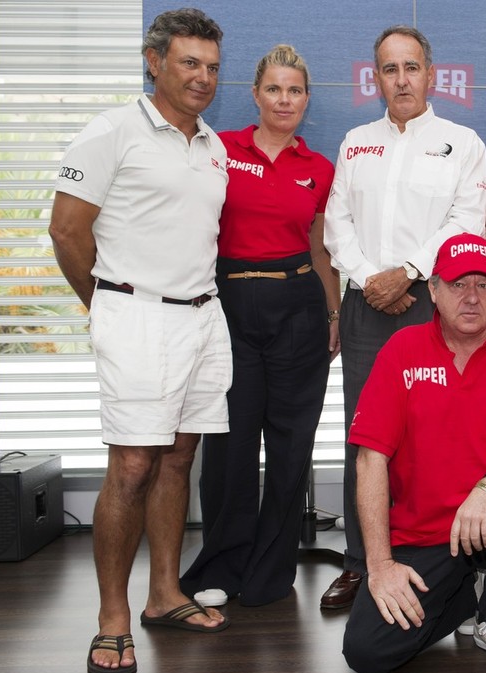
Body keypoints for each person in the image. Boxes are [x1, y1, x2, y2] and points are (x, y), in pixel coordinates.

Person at [48, 8, 230, 673]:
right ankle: (112, 619)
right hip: (133, 313)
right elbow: (68, 233)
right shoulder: (112, 130)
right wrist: (105, 308)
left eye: (211, 66)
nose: (202, 77)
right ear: (153, 61)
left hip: (203, 318)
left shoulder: (212, 145)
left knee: (179, 458)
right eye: (189, 63)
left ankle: (163, 595)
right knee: (131, 466)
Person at [340, 233, 486, 673]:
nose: (471, 298)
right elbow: (369, 459)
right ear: (432, 290)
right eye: (457, 284)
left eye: (483, 285)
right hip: (424, 537)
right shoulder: (401, 351)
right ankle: (462, 596)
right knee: (366, 652)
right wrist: (380, 566)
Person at [322, 25, 486, 610]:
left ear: (431, 74)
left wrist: (410, 273)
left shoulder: (461, 140)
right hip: (367, 302)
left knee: (437, 433)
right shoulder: (354, 141)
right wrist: (370, 278)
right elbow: (335, 222)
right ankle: (360, 562)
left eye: (411, 67)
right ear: (376, 78)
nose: (401, 80)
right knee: (366, 436)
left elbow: (464, 220)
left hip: (433, 302)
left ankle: (447, 558)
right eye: (389, 70)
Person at [178, 45, 340, 608]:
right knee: (230, 444)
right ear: (255, 94)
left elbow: (320, 249)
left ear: (306, 98)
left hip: (297, 303)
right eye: (274, 89)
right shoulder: (220, 150)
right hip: (227, 304)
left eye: (294, 90)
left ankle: (272, 571)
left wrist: (333, 313)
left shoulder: (319, 168)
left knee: (292, 446)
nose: (284, 99)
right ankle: (222, 563)